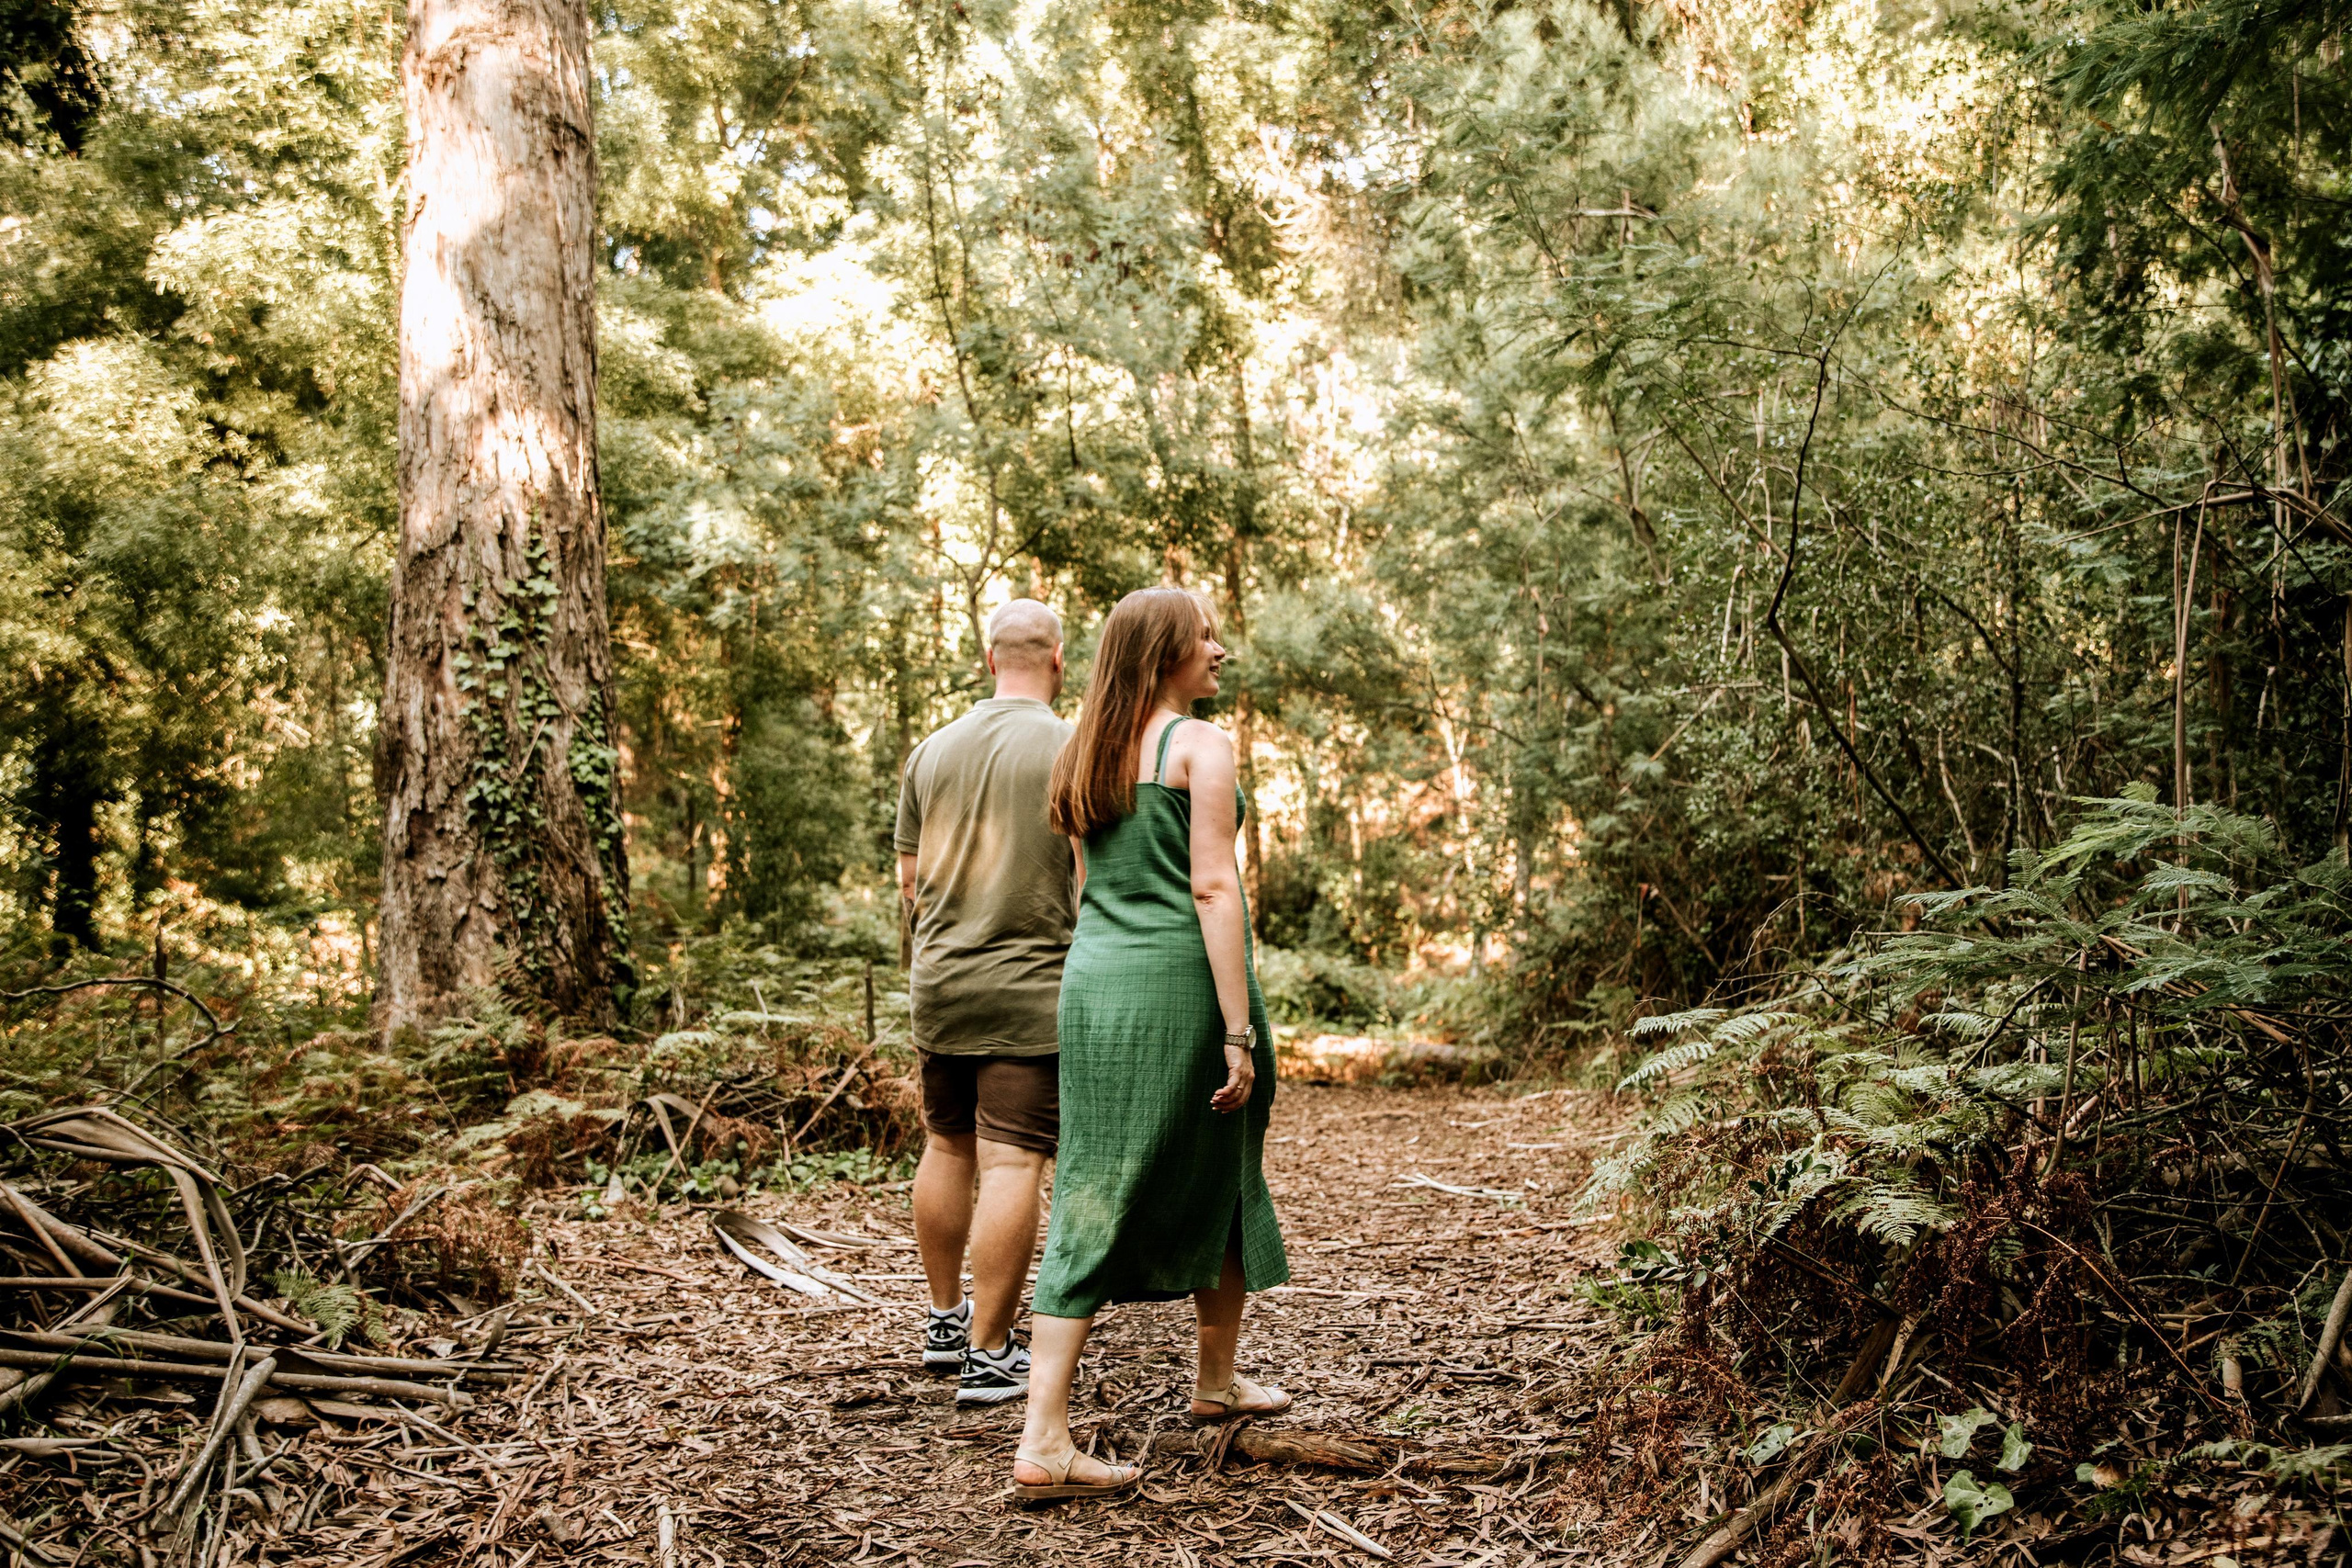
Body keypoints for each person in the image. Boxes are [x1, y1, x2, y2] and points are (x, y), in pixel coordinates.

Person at [1011, 586, 1291, 1503]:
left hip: (1095, 987)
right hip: (1182, 986)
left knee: (1097, 1182)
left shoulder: (1082, 747)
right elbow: (1212, 889)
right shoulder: (1198, 745)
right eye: (1202, 637)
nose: (1218, 649)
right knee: (1219, 1162)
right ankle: (1045, 1442)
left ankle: (1214, 1383)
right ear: (1165, 652)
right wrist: (1237, 1030)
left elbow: (1090, 886)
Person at [895, 599, 1076, 1405]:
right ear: (1058, 659)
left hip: (940, 982)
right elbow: (1088, 872)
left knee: (946, 1146)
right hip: (1029, 986)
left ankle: (943, 1319)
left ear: (987, 655)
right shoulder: (1073, 745)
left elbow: (907, 882)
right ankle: (991, 1350)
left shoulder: (931, 750)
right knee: (1012, 1162)